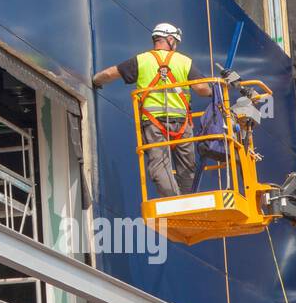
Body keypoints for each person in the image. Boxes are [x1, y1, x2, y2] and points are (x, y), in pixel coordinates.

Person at [91, 23, 212, 198]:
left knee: (159, 165)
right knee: (187, 167)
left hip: (153, 123)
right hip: (182, 123)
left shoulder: (142, 60)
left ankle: (173, 200)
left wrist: (95, 80)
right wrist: (212, 92)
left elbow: (110, 74)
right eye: (175, 42)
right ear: (170, 40)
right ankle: (187, 202)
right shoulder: (184, 61)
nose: (175, 46)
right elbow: (201, 88)